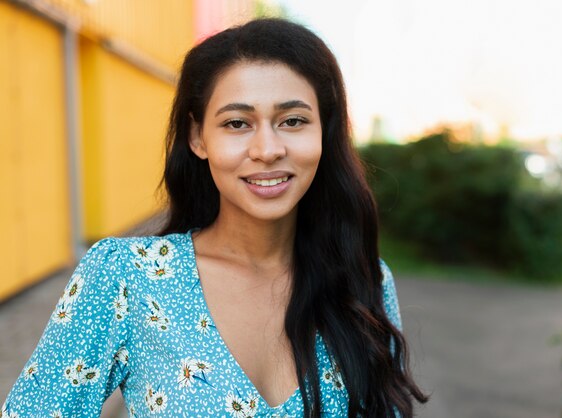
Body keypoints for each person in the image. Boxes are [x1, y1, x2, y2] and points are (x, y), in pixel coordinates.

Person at [1, 18, 429, 417]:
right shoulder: (128, 277)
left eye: (293, 120)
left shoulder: (365, 281)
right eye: (237, 123)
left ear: (324, 132)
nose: (267, 149)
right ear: (197, 137)